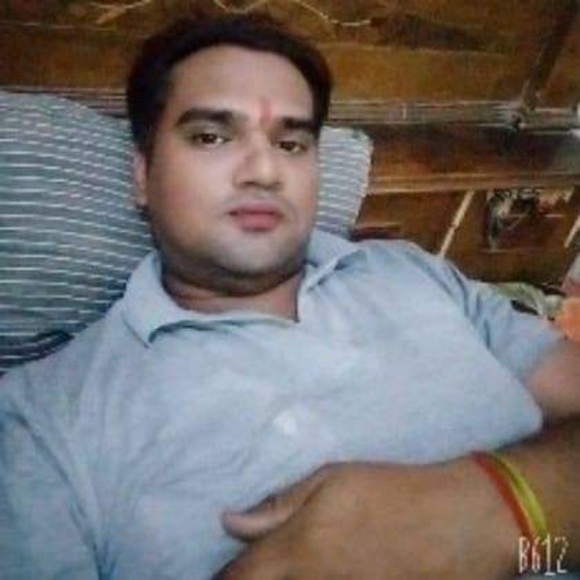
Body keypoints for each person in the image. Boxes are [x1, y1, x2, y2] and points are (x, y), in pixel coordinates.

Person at [0, 13, 578, 580]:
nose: (265, 170)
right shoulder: (42, 421)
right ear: (142, 174)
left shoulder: (411, 272)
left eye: (292, 143)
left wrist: (502, 503)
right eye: (210, 136)